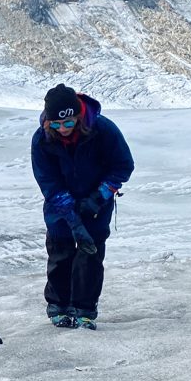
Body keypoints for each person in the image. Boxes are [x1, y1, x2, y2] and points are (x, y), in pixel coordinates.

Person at [31, 83, 134, 329]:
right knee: (60, 252)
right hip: (60, 206)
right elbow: (48, 182)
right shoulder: (42, 140)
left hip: (96, 204)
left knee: (90, 254)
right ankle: (59, 306)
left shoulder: (103, 130)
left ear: (78, 117)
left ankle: (85, 309)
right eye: (56, 124)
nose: (63, 129)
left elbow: (123, 165)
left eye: (68, 123)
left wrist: (98, 198)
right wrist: (71, 215)